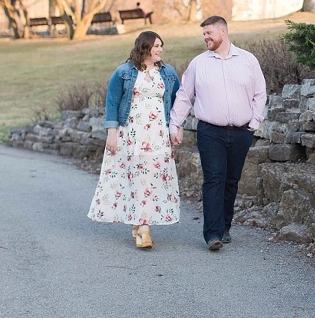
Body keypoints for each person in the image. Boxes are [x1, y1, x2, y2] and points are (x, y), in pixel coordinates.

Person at [169, 15, 267, 251]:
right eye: (204, 34)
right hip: (210, 132)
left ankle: (224, 227)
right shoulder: (198, 64)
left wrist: (254, 122)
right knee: (214, 178)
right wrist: (175, 123)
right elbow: (184, 96)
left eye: (209, 33)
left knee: (231, 180)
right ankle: (212, 234)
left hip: (242, 132)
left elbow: (260, 94)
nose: (205, 37)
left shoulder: (248, 60)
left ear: (223, 32)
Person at [88, 31, 181, 249]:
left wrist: (178, 127)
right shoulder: (124, 72)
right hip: (130, 135)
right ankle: (143, 227)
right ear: (144, 47)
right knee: (135, 179)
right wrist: (112, 133)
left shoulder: (168, 73)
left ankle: (142, 224)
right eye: (156, 46)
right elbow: (112, 102)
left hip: (158, 135)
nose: (160, 50)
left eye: (161, 46)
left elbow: (178, 103)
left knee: (152, 178)